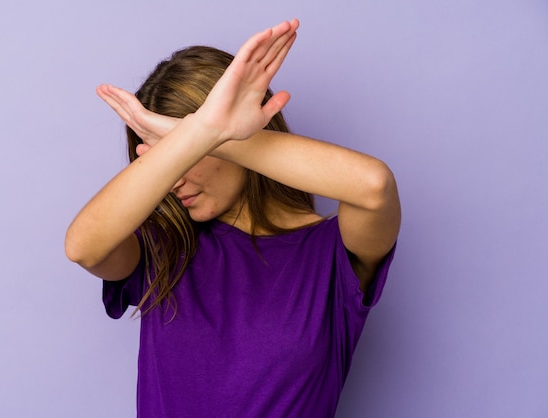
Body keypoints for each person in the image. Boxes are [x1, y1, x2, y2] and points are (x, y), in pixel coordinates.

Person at [65, 19, 400, 418]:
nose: (173, 180)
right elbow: (83, 248)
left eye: (187, 154)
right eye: (165, 160)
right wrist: (199, 134)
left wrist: (218, 134)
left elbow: (374, 186)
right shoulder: (162, 247)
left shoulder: (333, 255)